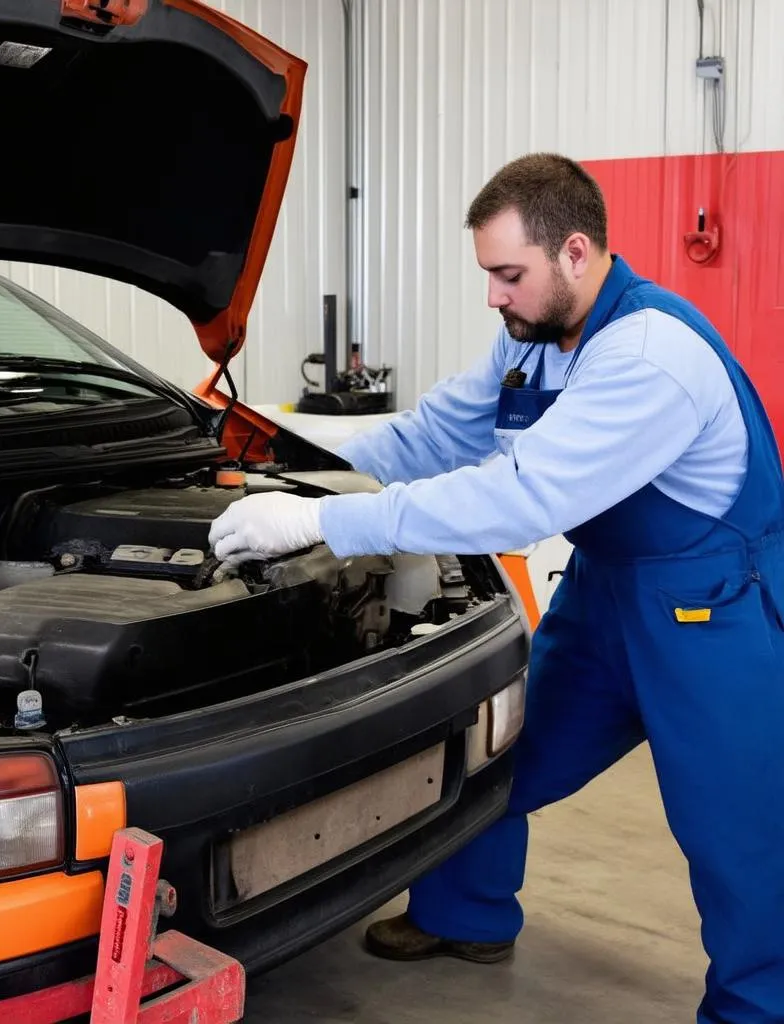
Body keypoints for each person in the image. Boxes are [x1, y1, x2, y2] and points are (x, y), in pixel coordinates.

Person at [208, 153, 784, 1024]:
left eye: (508, 274)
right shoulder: (534, 345)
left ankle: (755, 1008)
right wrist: (279, 456)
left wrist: (323, 527)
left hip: (712, 615)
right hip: (603, 601)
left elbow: (521, 497)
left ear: (577, 253)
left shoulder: (651, 357)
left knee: (736, 833)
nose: (494, 296)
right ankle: (464, 916)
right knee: (499, 759)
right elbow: (430, 438)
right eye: (489, 274)